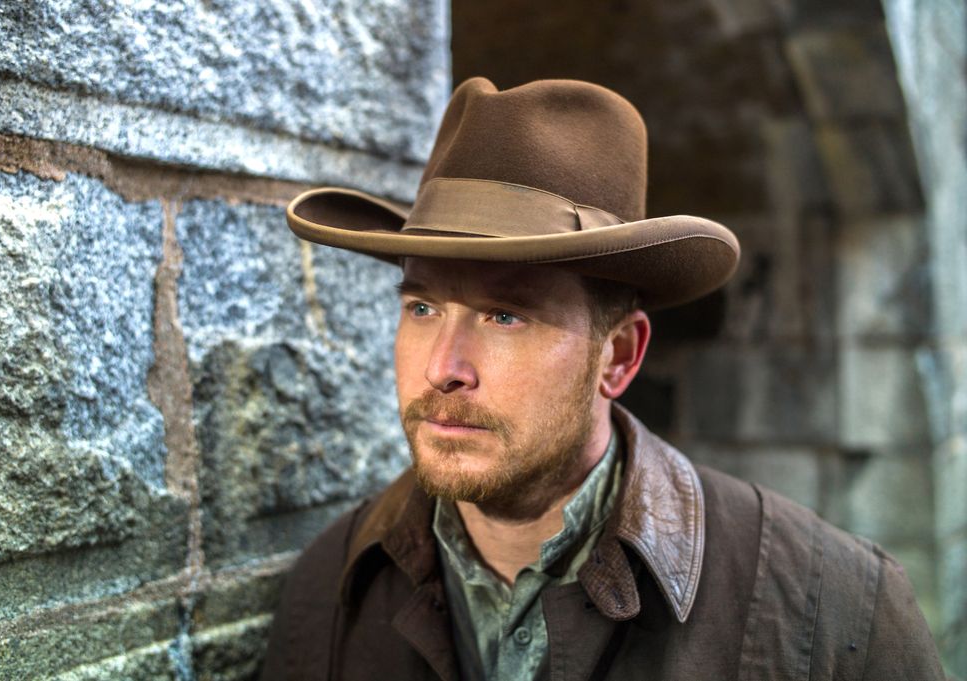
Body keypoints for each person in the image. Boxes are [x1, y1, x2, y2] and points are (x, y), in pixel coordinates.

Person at [260, 78, 945, 680]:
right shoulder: (330, 592)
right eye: (422, 306)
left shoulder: (836, 614)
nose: (444, 367)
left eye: (505, 314)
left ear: (618, 355)